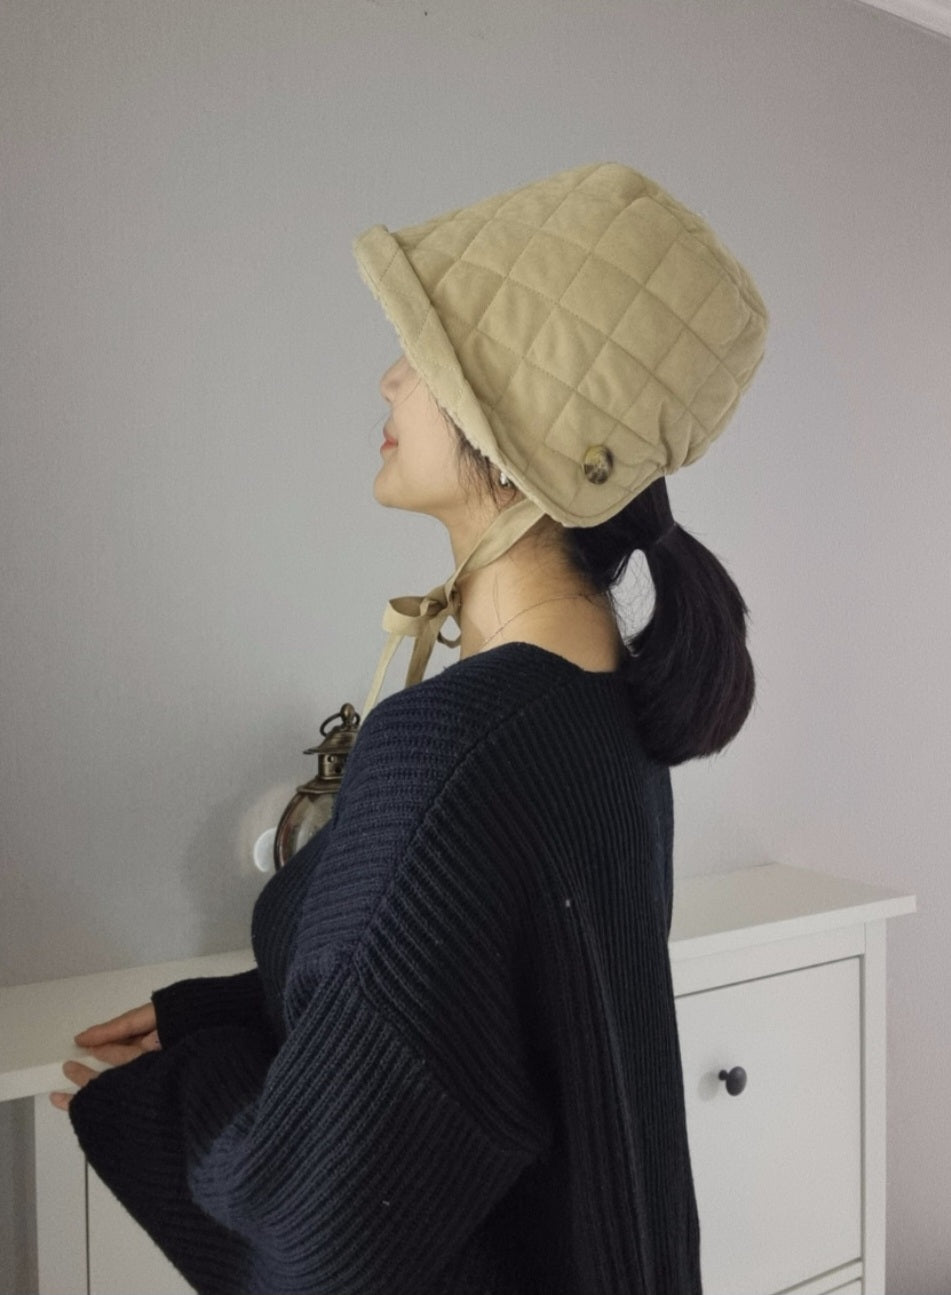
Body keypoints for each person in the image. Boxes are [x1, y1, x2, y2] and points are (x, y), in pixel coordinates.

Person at [51, 161, 769, 1294]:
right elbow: (485, 1012)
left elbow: (306, 1228)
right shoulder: (602, 710)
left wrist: (157, 1097)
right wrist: (222, 1013)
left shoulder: (450, 751)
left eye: (424, 360)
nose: (390, 378)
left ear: (518, 437)